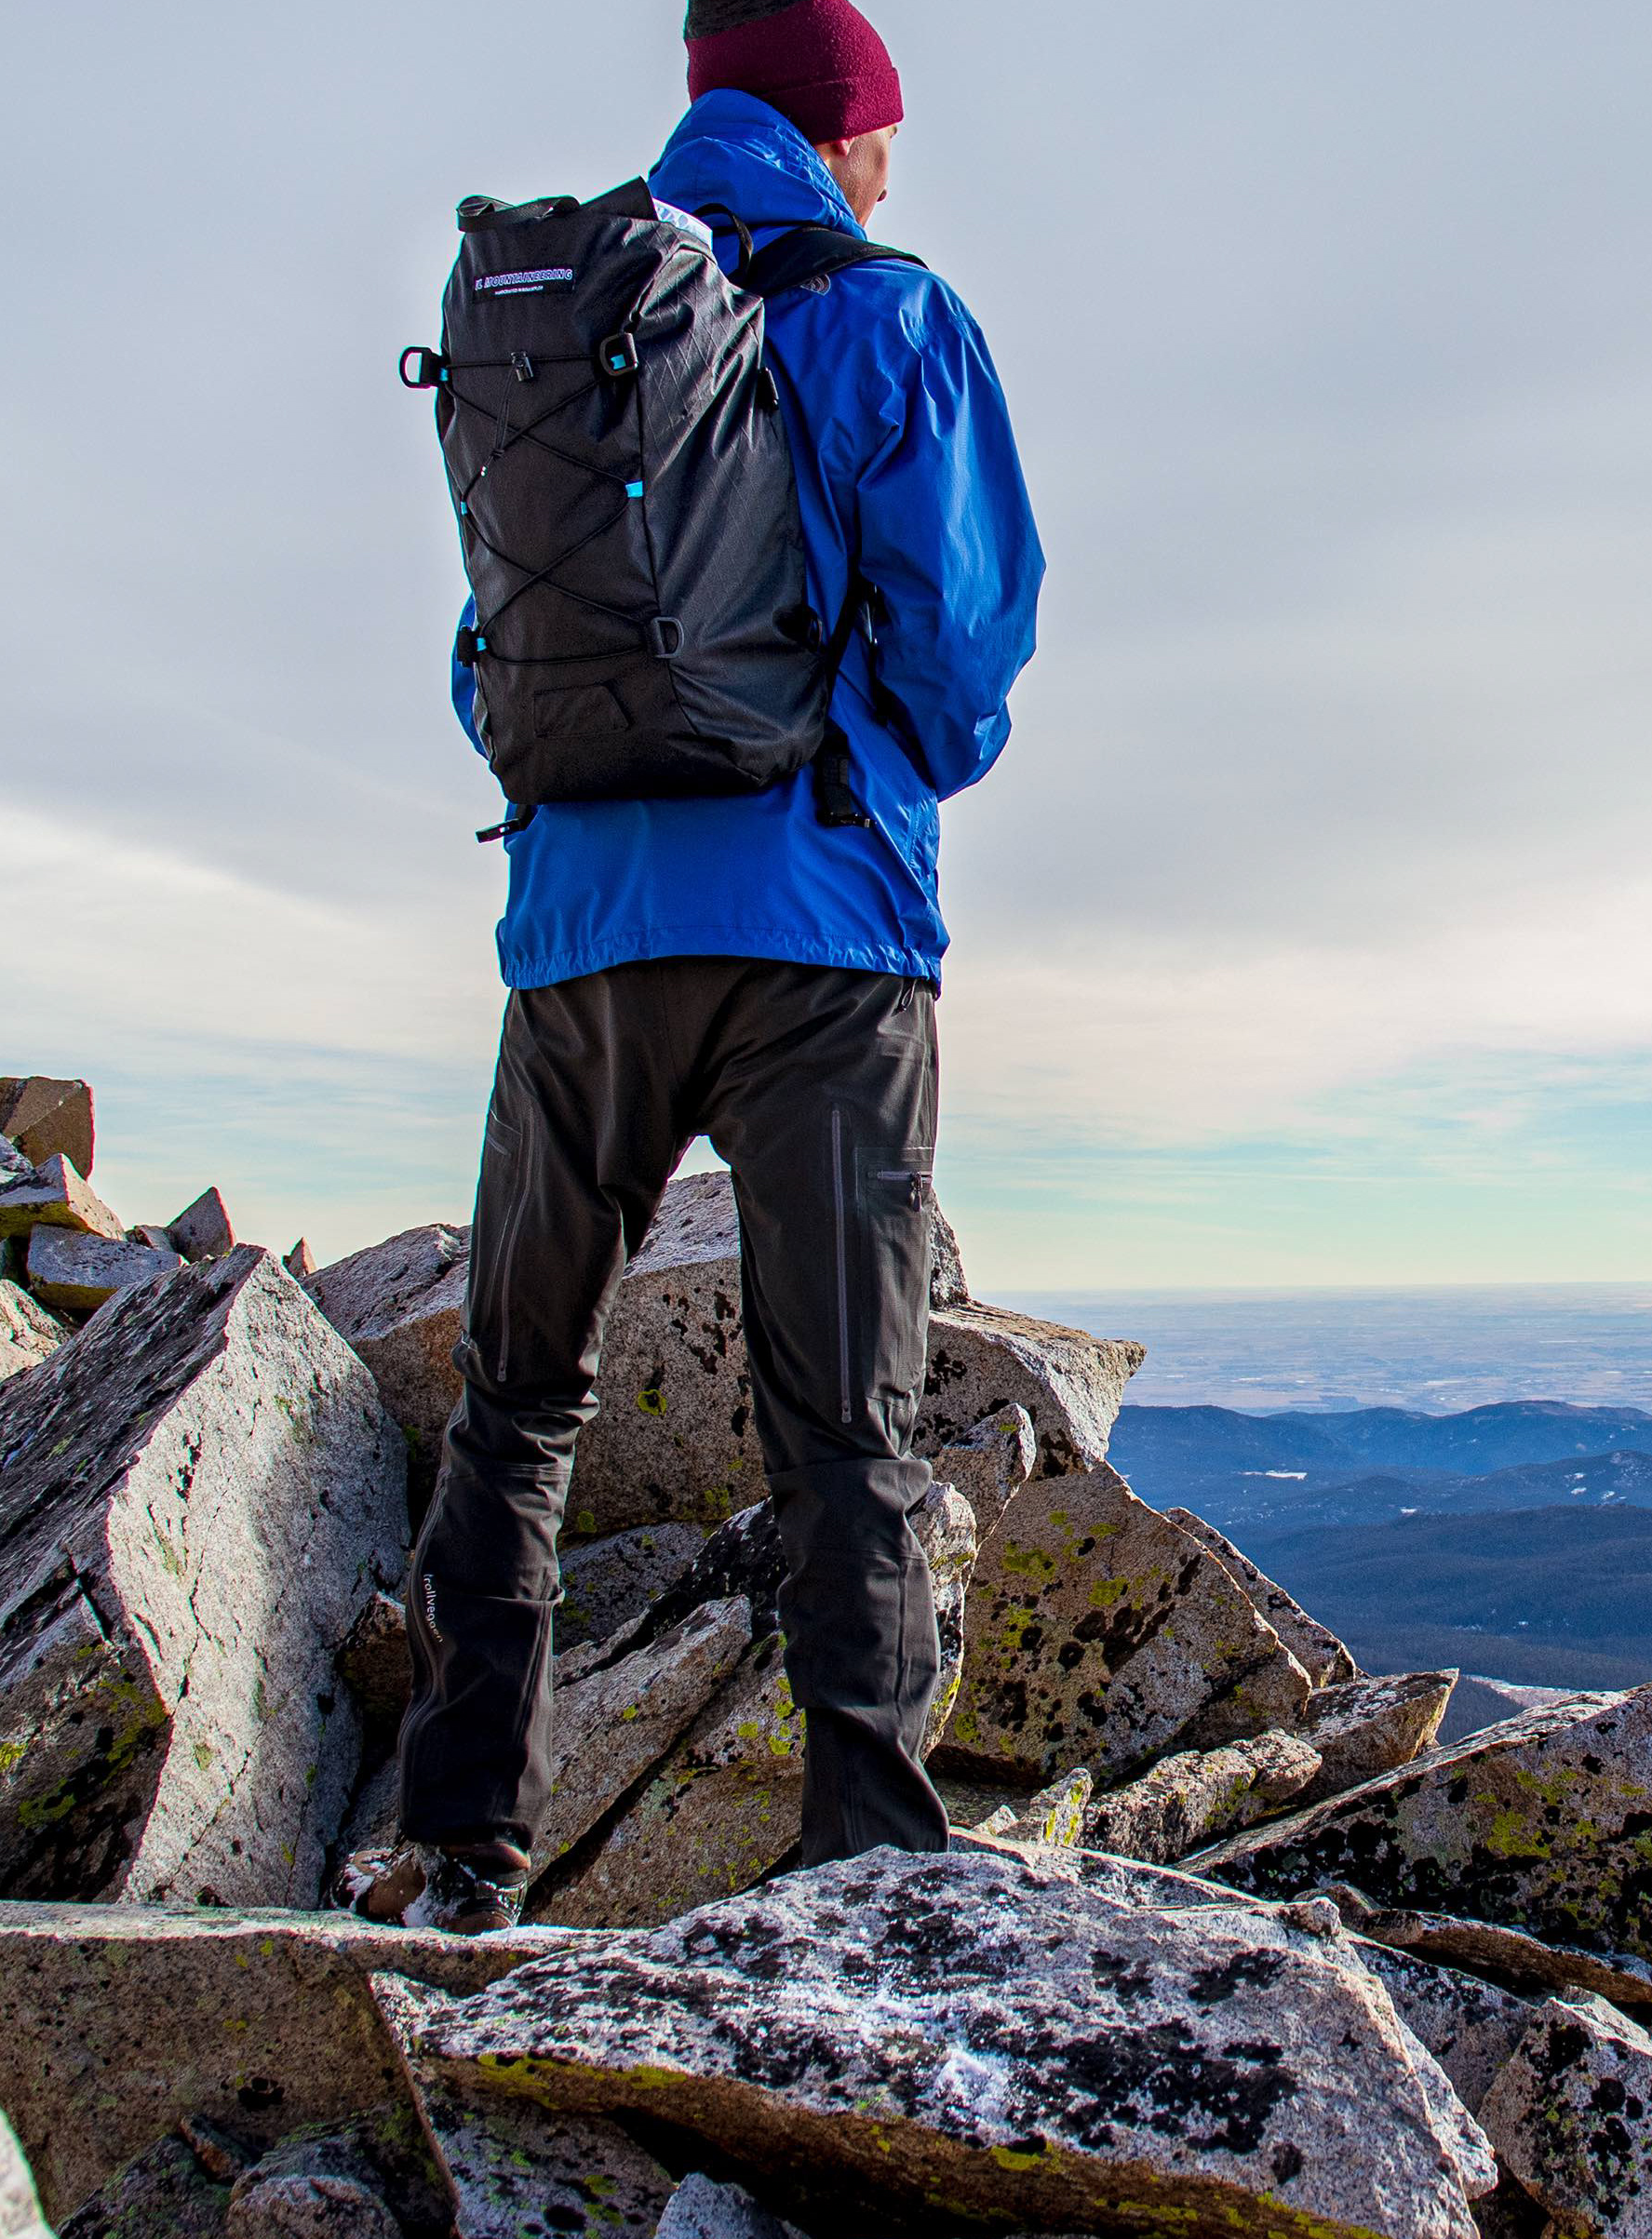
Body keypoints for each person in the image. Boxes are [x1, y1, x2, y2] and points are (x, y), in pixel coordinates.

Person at [363, 0, 1042, 1935]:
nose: (892, 162)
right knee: (848, 1416)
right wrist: (872, 760)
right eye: (883, 129)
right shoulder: (889, 315)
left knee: (519, 1397)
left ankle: (461, 1853)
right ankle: (866, 1868)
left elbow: (501, 642)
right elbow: (967, 656)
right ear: (837, 130)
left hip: (581, 938)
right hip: (823, 935)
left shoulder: (564, 318)